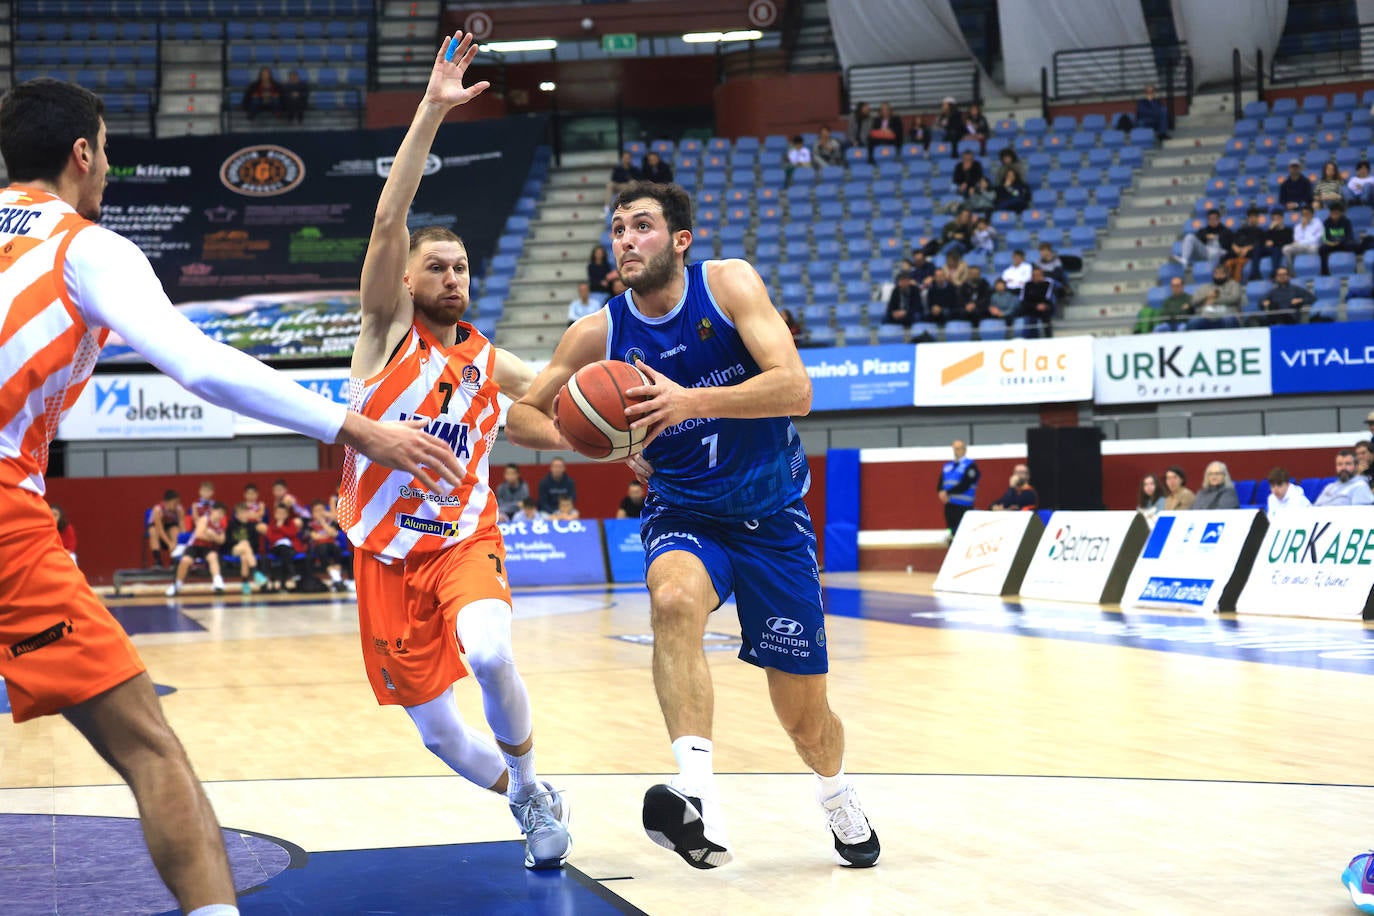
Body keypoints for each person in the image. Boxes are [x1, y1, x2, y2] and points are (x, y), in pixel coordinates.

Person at [505, 179, 881, 870]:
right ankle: (696, 796)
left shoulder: (729, 285)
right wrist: (605, 441)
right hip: (683, 510)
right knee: (672, 598)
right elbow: (523, 413)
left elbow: (796, 388)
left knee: (806, 721)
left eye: (641, 226)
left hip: (773, 519)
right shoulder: (599, 331)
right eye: (616, 228)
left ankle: (836, 794)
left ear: (679, 239)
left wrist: (686, 401)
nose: (624, 240)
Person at [336, 33, 570, 871]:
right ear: (407, 280)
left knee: (493, 650)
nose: (453, 276)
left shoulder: (487, 358)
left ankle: (534, 785)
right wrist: (433, 108)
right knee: (440, 736)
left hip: (465, 540)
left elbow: (554, 406)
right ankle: (529, 797)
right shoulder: (384, 329)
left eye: (463, 267)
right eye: (437, 266)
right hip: (383, 555)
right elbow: (389, 217)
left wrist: (627, 439)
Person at [167, 502, 227, 596]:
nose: (220, 515)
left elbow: (222, 540)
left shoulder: (221, 524)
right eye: (218, 512)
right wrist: (214, 537)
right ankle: (177, 585)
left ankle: (217, 583)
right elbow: (199, 535)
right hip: (194, 547)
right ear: (212, 511)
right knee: (185, 560)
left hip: (208, 548)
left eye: (222, 513)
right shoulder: (204, 519)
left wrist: (212, 534)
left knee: (213, 556)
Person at [224, 502, 268, 594]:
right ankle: (255, 572)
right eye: (240, 513)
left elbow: (255, 543)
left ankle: (245, 584)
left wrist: (246, 544)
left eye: (245, 512)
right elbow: (227, 541)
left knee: (245, 557)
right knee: (244, 544)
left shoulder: (252, 526)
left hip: (248, 552)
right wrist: (240, 543)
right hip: (234, 549)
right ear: (236, 515)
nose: (243, 515)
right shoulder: (231, 525)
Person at [938, 440, 979, 537]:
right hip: (949, 504)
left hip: (963, 505)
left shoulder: (970, 465)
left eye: (958, 449)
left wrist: (947, 492)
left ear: (964, 450)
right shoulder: (948, 466)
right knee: (951, 531)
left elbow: (966, 484)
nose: (956, 451)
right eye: (954, 449)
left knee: (962, 533)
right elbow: (941, 482)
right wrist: (941, 492)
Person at [1186, 264, 1241, 330]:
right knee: (1193, 322)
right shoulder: (1205, 287)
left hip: (1227, 314)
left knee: (1229, 321)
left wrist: (1215, 300)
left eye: (1221, 273)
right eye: (1216, 273)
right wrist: (1206, 297)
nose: (1218, 276)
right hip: (1206, 316)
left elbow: (1235, 298)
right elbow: (1193, 301)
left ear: (1226, 274)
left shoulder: (1233, 285)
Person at [307, 499, 346, 591]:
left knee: (337, 549)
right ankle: (337, 579)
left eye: (321, 510)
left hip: (331, 544)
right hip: (319, 546)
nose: (319, 513)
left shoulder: (330, 522)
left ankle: (337, 580)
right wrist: (326, 535)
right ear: (312, 513)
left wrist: (323, 522)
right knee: (323, 549)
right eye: (317, 511)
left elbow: (333, 534)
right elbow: (315, 537)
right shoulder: (310, 524)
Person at [263, 503, 303, 591]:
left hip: (289, 549)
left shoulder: (290, 523)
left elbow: (292, 534)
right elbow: (271, 538)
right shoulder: (272, 524)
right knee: (283, 549)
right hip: (276, 549)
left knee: (285, 553)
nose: (280, 515)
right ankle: (292, 573)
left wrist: (281, 527)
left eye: (283, 513)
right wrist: (280, 531)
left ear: (287, 515)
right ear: (275, 514)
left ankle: (283, 584)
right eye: (278, 513)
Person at [146, 488, 183, 567]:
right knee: (153, 531)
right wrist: (169, 543)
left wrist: (183, 543)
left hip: (170, 529)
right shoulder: (158, 510)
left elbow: (183, 528)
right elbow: (160, 530)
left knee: (175, 530)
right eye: (175, 502)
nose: (177, 504)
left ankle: (174, 560)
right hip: (159, 531)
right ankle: (157, 561)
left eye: (178, 502)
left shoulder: (179, 509)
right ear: (167, 502)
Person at [1319, 200, 1357, 275]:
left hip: (1343, 243)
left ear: (1340, 213)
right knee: (1322, 249)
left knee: (1351, 245)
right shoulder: (1326, 222)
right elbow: (1325, 236)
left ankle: (1353, 270)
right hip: (1332, 244)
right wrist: (1331, 242)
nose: (1334, 216)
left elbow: (1349, 236)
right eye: (1332, 213)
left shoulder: (1346, 221)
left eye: (1336, 214)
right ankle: (1325, 272)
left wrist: (1340, 241)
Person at [1017, 266, 1055, 338]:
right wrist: (1035, 306)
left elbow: (1048, 297)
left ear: (1042, 275)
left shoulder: (1047, 283)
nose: (1036, 277)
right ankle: (1032, 337)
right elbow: (1023, 300)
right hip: (1031, 307)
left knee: (1046, 313)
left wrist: (1042, 305)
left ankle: (1048, 337)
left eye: (1038, 275)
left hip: (1044, 306)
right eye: (1034, 275)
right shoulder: (1027, 284)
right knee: (1027, 314)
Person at [1283, 204, 1323, 268]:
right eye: (1303, 214)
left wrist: (1306, 227)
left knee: (1313, 249)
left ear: (1312, 214)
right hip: (1300, 246)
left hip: (1312, 246)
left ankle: (1313, 269)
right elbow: (1296, 240)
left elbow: (1316, 240)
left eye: (1307, 214)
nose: (1305, 216)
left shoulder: (1318, 223)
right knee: (1286, 249)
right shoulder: (1298, 226)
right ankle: (1292, 272)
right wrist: (1303, 227)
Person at [1257, 208, 1291, 279]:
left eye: (1278, 218)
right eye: (1274, 219)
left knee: (1276, 250)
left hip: (1277, 249)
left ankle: (1274, 273)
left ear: (1282, 218)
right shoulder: (1271, 230)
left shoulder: (1288, 230)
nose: (1276, 220)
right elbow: (1262, 240)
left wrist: (1274, 242)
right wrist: (1270, 229)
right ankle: (1255, 273)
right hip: (1268, 249)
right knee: (1257, 249)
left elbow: (1288, 241)